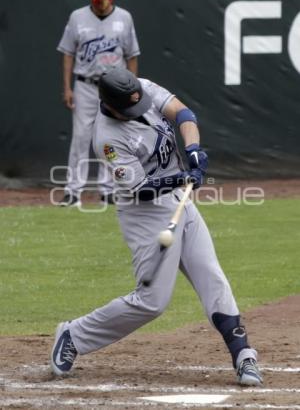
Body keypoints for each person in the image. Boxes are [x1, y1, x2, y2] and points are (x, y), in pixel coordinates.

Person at [50, 69, 263, 386]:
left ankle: (243, 354)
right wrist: (181, 177)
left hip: (179, 200)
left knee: (211, 276)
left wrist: (193, 149)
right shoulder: (107, 138)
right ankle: (74, 334)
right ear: (112, 107)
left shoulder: (142, 89)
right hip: (144, 213)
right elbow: (141, 189)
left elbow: (183, 113)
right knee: (151, 302)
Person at [57, 0, 140, 206]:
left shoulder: (124, 18)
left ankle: (109, 190)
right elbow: (67, 53)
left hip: (114, 87)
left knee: (110, 138)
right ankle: (73, 191)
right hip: (85, 84)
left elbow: (132, 56)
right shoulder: (77, 17)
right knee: (81, 138)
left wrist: (130, 89)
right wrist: (67, 87)